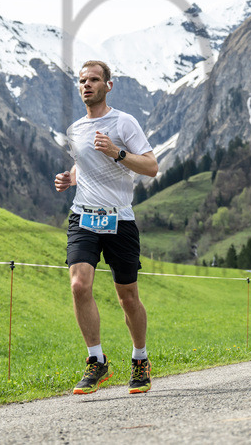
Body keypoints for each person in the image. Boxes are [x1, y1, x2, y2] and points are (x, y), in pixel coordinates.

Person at [54, 60, 159, 394]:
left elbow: (151, 167)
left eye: (94, 80)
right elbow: (83, 163)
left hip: (119, 219)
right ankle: (96, 361)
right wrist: (69, 178)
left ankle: (140, 360)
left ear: (108, 86)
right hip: (83, 217)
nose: (87, 85)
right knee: (78, 285)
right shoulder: (75, 129)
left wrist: (117, 152)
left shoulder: (124, 122)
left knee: (127, 296)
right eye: (82, 80)